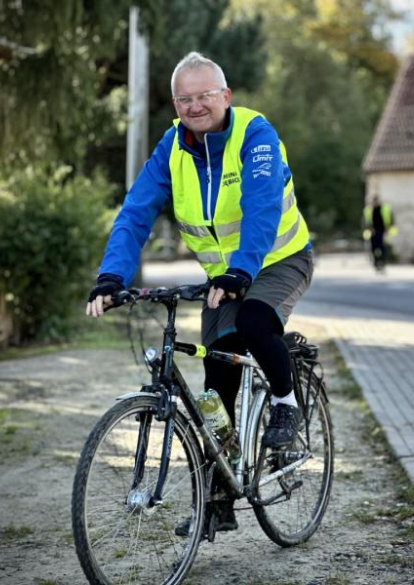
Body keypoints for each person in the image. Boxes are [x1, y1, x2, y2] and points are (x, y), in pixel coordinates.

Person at [86, 52, 313, 532]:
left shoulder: (255, 135)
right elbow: (134, 214)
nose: (195, 106)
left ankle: (286, 403)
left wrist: (240, 272)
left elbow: (262, 207)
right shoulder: (172, 147)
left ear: (225, 96)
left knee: (253, 322)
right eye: (185, 99)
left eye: (205, 95)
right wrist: (112, 277)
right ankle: (220, 499)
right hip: (226, 277)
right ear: (175, 103)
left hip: (277, 259)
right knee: (215, 383)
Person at [362, 195, 395, 272]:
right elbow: (365, 221)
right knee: (373, 247)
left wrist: (388, 228)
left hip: (382, 231)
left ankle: (382, 262)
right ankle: (376, 263)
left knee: (382, 247)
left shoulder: (385, 209)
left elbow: (391, 219)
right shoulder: (368, 210)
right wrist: (369, 229)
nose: (374, 203)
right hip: (372, 231)